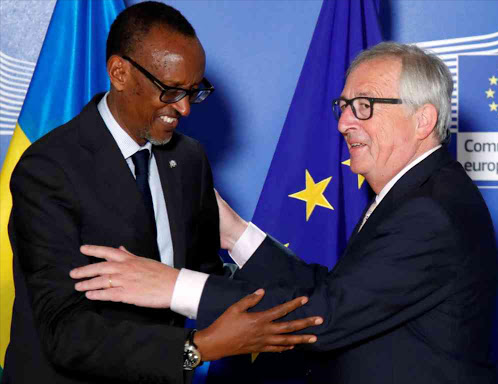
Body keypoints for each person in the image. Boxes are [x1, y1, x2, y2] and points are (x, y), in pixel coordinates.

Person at [70, 42, 498, 383]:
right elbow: (336, 292)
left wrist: (173, 286)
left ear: (423, 120)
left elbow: (322, 317)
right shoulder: (418, 193)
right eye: (344, 106)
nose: (344, 123)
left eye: (364, 106)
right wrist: (234, 233)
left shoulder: (429, 211)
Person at [2, 3, 322, 384]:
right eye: (170, 91)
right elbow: (65, 330)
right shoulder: (48, 169)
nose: (184, 108)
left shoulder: (188, 158)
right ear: (119, 73)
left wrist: (276, 303)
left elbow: (202, 273)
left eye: (193, 91)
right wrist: (197, 347)